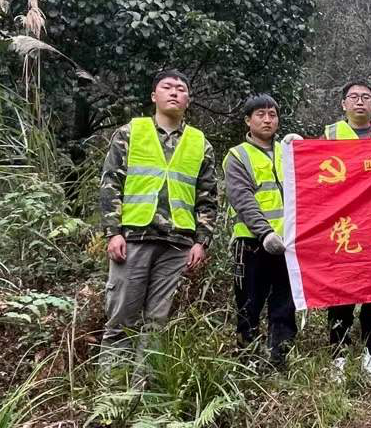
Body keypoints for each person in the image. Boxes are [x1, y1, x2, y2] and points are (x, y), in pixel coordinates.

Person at [99, 69, 217, 376]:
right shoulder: (131, 132)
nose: (175, 93)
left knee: (157, 324)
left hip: (177, 244)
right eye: (167, 87)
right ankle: (109, 398)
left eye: (181, 89)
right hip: (133, 238)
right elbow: (111, 183)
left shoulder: (199, 143)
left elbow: (207, 197)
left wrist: (201, 241)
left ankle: (144, 400)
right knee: (121, 320)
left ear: (188, 100)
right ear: (154, 96)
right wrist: (113, 233)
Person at [324, 80, 371, 382]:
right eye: (353, 97)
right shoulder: (328, 136)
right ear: (343, 104)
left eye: (366, 97)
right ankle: (338, 353)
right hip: (343, 226)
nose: (360, 102)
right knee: (341, 292)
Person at [224, 94, 296, 368]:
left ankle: (280, 357)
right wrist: (265, 233)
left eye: (272, 114)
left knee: (284, 304)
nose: (267, 119)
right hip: (252, 243)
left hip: (287, 243)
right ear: (248, 120)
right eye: (260, 114)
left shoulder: (286, 152)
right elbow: (243, 200)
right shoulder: (238, 156)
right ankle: (248, 359)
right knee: (249, 304)